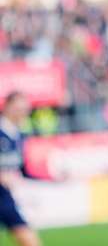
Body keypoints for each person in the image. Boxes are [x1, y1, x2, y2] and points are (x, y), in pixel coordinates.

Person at [0, 92, 41, 246]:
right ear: (8, 107)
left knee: (30, 241)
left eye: (25, 109)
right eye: (19, 109)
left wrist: (54, 178)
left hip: (4, 198)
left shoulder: (18, 135)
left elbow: (24, 171)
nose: (23, 113)